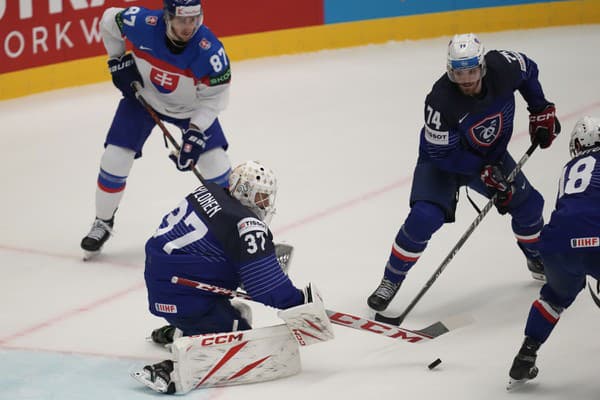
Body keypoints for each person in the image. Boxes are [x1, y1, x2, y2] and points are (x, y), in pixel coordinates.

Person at [367, 33, 561, 312]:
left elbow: (528, 69)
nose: (467, 80)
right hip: (443, 161)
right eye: (459, 74)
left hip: (490, 158)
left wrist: (540, 108)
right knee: (424, 217)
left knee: (530, 207)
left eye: (472, 71)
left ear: (482, 66)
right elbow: (441, 153)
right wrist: (482, 172)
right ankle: (390, 280)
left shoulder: (503, 68)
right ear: (450, 72)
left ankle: (536, 257)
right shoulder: (440, 101)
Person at [135, 161, 334, 394]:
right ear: (244, 192)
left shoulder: (208, 191)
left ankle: (182, 330)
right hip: (183, 295)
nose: (265, 204)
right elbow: (266, 286)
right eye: (261, 197)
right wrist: (300, 302)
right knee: (240, 340)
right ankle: (171, 371)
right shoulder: (246, 224)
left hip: (165, 280)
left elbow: (211, 244)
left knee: (238, 313)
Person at [81, 0, 233, 258]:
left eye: (194, 19)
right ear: (167, 17)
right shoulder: (141, 23)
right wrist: (116, 60)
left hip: (190, 111)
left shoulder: (210, 53)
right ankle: (103, 222)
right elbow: (109, 20)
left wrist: (195, 132)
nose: (189, 26)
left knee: (216, 166)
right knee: (115, 157)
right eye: (182, 20)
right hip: (144, 99)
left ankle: (232, 229)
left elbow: (212, 100)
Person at [507, 116, 600, 389]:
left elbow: (573, 212)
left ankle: (525, 355)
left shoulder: (570, 167)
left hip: (557, 243)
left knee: (554, 298)